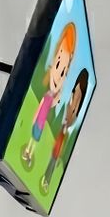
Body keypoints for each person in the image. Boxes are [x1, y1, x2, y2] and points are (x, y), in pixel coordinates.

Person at [21, 22, 76, 169]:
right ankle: (27, 151)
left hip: (41, 124)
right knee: (32, 139)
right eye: (58, 65)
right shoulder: (46, 95)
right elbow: (41, 107)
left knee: (35, 140)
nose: (59, 76)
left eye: (63, 72)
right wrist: (35, 117)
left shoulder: (52, 97)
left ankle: (30, 153)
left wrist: (59, 97)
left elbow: (52, 105)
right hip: (38, 121)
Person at [40, 68, 89, 194]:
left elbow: (73, 113)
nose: (75, 95)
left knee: (53, 160)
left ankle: (47, 180)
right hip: (61, 136)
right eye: (75, 91)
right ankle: (46, 179)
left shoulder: (76, 106)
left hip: (62, 137)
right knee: (52, 159)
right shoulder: (72, 98)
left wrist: (68, 121)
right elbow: (70, 108)